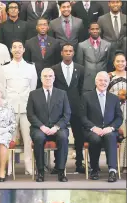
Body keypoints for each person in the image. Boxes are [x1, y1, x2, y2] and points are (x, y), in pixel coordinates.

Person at [26, 68, 71, 182]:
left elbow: (67, 114)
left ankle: (61, 171)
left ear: (54, 78)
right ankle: (40, 172)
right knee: (39, 138)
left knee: (63, 137)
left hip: (58, 127)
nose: (48, 78)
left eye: (50, 76)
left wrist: (56, 127)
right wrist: (42, 126)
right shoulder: (33, 94)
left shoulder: (62, 94)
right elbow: (30, 114)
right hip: (39, 128)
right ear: (41, 78)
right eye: (45, 76)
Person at [2, 40, 38, 176]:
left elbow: (33, 88)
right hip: (10, 108)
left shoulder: (30, 67)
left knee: (28, 139)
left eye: (20, 47)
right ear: (11, 50)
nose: (17, 50)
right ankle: (9, 168)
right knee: (9, 139)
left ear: (24, 50)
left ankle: (28, 167)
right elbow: (3, 89)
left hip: (26, 108)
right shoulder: (5, 68)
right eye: (14, 47)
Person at [52, 43, 87, 174]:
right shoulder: (54, 69)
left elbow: (81, 87)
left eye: (70, 51)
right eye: (65, 51)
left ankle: (79, 163)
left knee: (79, 135)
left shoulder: (81, 68)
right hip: (59, 107)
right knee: (59, 135)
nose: (68, 53)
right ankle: (57, 164)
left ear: (73, 53)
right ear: (61, 53)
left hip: (76, 106)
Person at [82, 72, 123, 182]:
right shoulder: (86, 97)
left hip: (109, 129)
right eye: (100, 80)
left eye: (105, 81)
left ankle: (112, 171)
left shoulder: (114, 98)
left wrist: (111, 128)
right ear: (96, 82)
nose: (103, 83)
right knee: (95, 138)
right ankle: (94, 169)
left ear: (108, 83)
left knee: (110, 136)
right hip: (92, 130)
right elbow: (82, 117)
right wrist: (93, 128)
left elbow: (119, 117)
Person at [76, 22, 113, 94]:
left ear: (100, 30)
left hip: (103, 79)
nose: (95, 31)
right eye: (92, 29)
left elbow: (108, 61)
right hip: (87, 80)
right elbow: (80, 64)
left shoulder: (107, 45)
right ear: (89, 31)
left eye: (97, 29)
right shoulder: (82, 45)